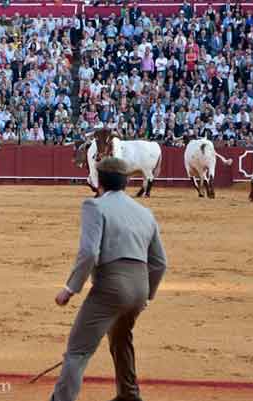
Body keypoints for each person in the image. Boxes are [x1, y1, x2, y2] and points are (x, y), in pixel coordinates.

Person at [49, 157, 168, 401]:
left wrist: (70, 289)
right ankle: (129, 394)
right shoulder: (145, 212)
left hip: (111, 285)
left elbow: (89, 252)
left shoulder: (95, 206)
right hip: (139, 287)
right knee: (121, 338)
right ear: (126, 182)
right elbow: (159, 263)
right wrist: (146, 294)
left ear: (99, 182)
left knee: (78, 351)